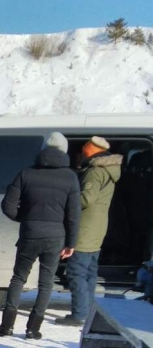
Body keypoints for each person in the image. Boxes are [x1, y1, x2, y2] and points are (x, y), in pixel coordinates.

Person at [0, 131, 80, 340]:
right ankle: (33, 329)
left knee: (18, 278)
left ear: (43, 150)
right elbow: (74, 215)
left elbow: (8, 205)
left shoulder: (26, 173)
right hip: (56, 237)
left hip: (30, 234)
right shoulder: (70, 177)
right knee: (46, 283)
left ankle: (6, 326)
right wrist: (71, 242)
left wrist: (24, 218)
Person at [58, 135, 123, 326]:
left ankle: (79, 314)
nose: (81, 153)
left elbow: (86, 199)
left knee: (77, 272)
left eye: (85, 149)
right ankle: (88, 310)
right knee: (90, 272)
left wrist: (65, 200)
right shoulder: (109, 169)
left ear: (91, 152)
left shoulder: (95, 172)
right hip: (97, 227)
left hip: (84, 228)